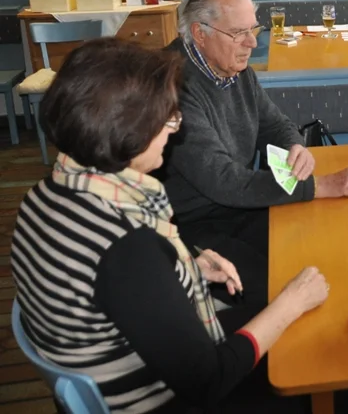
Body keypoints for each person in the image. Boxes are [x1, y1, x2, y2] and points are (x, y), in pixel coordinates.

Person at [10, 39, 331, 413]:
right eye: (167, 117)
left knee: (273, 306)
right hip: (161, 399)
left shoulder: (47, 193)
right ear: (128, 130)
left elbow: (112, 287)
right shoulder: (127, 245)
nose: (173, 130)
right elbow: (208, 380)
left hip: (123, 361)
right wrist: (290, 303)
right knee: (323, 357)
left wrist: (185, 270)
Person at [157, 0, 348, 307]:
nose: (252, 42)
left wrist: (294, 147)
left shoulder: (231, 65)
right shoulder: (172, 86)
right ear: (200, 33)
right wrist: (318, 186)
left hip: (241, 206)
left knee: (328, 252)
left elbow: (273, 124)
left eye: (253, 29)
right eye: (238, 32)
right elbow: (223, 181)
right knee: (288, 296)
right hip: (194, 226)